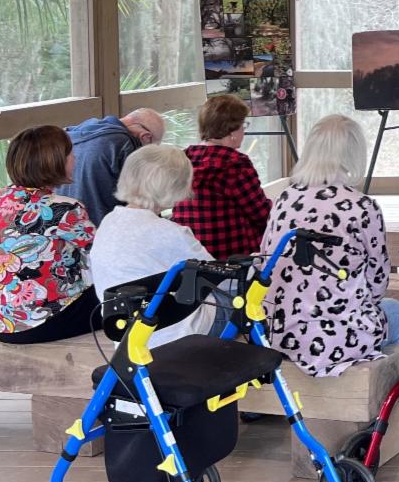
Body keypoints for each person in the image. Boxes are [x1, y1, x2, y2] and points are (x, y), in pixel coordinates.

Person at [259, 114, 399, 377]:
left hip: (278, 331)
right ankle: (382, 394)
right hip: (335, 337)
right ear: (353, 154)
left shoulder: (284, 199)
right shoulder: (362, 206)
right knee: (395, 310)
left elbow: (265, 259)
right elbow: (378, 281)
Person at [0, 125, 97, 343]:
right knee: (129, 297)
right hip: (37, 323)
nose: (74, 158)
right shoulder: (64, 208)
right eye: (69, 153)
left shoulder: (1, 198)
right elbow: (102, 252)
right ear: (55, 161)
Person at [90, 145, 215, 347]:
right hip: (175, 335)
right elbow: (218, 279)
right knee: (234, 294)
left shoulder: (108, 222)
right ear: (175, 186)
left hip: (125, 334)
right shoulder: (172, 233)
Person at [172, 95, 271, 259]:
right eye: (243, 125)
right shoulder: (235, 164)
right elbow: (261, 214)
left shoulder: (184, 158)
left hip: (190, 254)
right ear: (231, 131)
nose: (244, 131)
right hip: (232, 256)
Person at [64, 108, 165, 226]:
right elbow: (144, 202)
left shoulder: (74, 134)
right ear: (146, 137)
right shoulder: (124, 144)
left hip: (66, 226)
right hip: (102, 229)